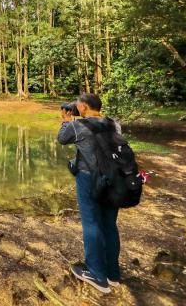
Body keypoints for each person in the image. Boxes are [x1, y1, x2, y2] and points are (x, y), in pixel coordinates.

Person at [57, 92, 121, 294]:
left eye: (77, 105)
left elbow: (62, 139)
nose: (75, 107)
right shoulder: (114, 124)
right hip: (114, 178)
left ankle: (96, 274)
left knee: (92, 223)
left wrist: (66, 121)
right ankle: (113, 274)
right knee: (109, 224)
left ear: (84, 106)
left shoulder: (79, 126)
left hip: (89, 179)